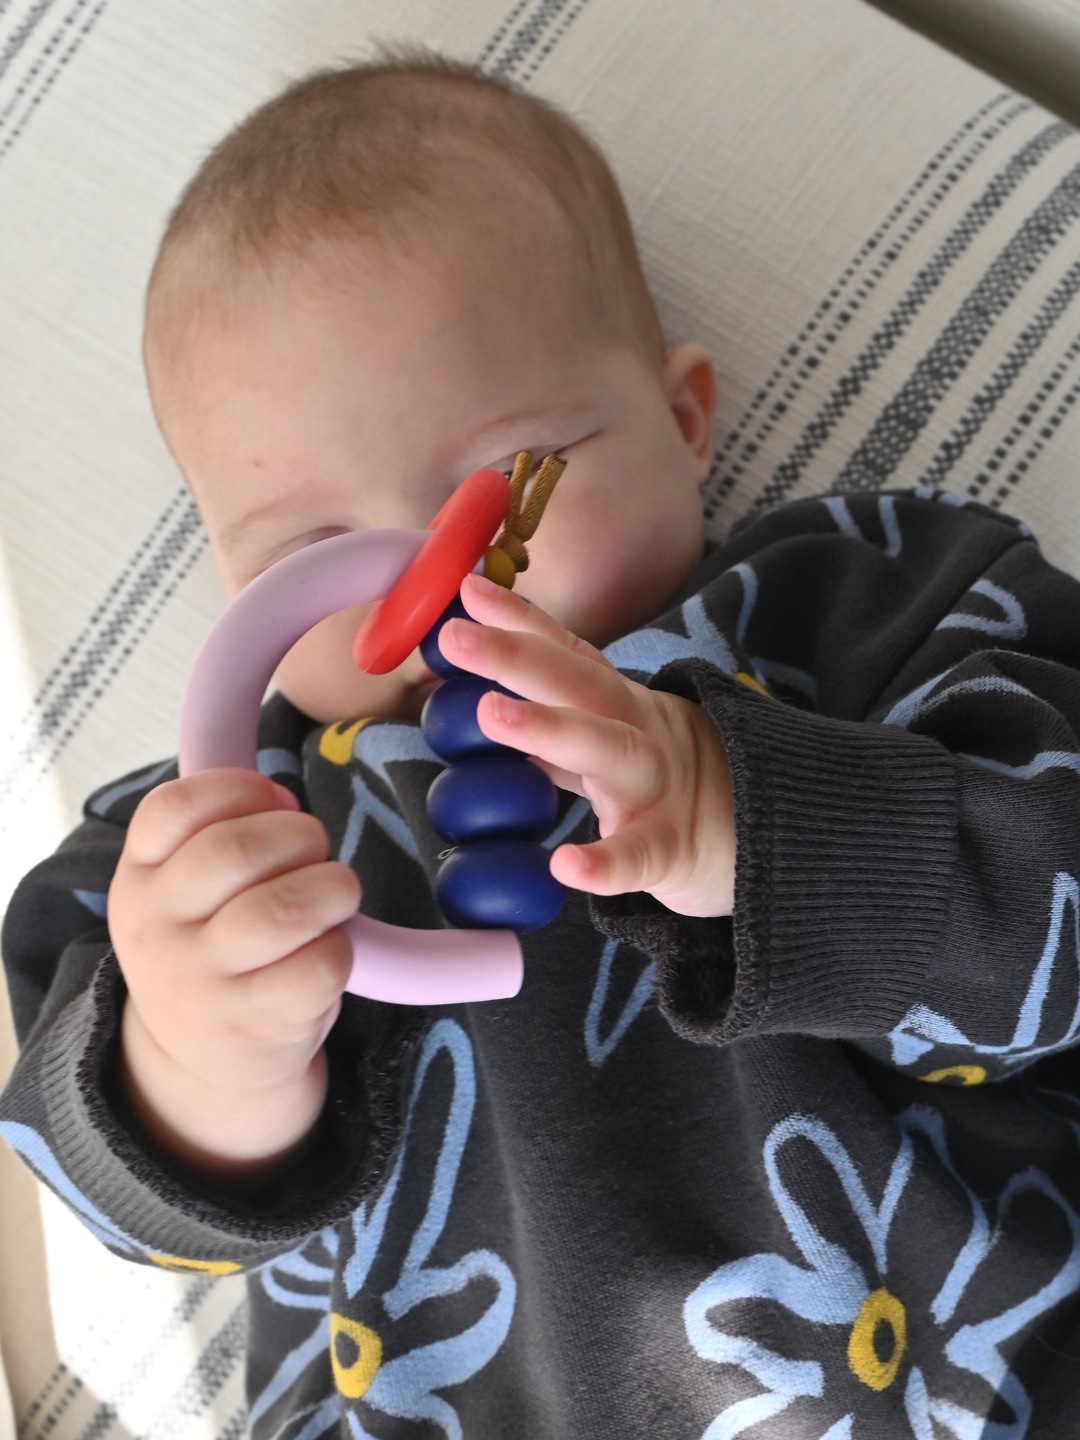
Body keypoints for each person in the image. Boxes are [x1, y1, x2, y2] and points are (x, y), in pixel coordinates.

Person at [4, 50, 1080, 1440]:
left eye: (500, 495)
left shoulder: (869, 608)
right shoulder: (225, 833)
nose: (425, 591)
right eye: (311, 548)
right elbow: (104, 1186)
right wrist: (200, 1062)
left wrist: (746, 815)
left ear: (683, 422)